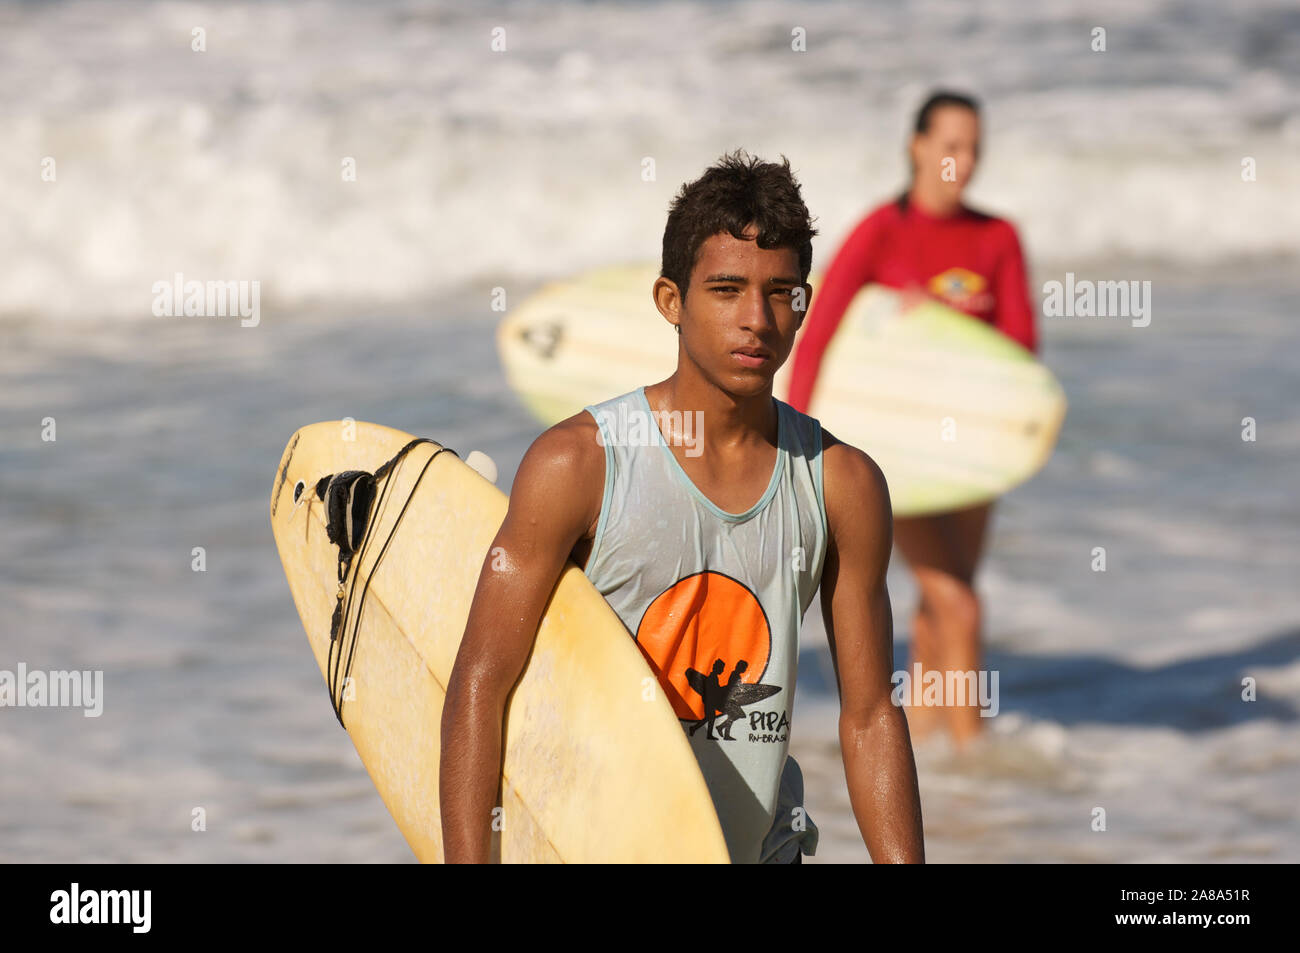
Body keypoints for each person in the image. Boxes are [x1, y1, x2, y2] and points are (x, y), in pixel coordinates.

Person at [441, 149, 924, 864]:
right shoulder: (578, 465)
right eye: (726, 290)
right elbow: (482, 678)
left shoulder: (840, 482)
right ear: (671, 301)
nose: (755, 319)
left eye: (778, 291)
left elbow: (871, 714)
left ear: (803, 305)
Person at [786, 91, 1038, 749]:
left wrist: (940, 331)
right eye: (951, 145)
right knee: (960, 601)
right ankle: (975, 757)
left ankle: (932, 751)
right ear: (917, 146)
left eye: (974, 148)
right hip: (904, 453)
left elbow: (1021, 353)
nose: (963, 161)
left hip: (974, 451)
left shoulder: (998, 238)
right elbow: (816, 333)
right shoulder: (881, 232)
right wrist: (797, 438)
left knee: (940, 604)